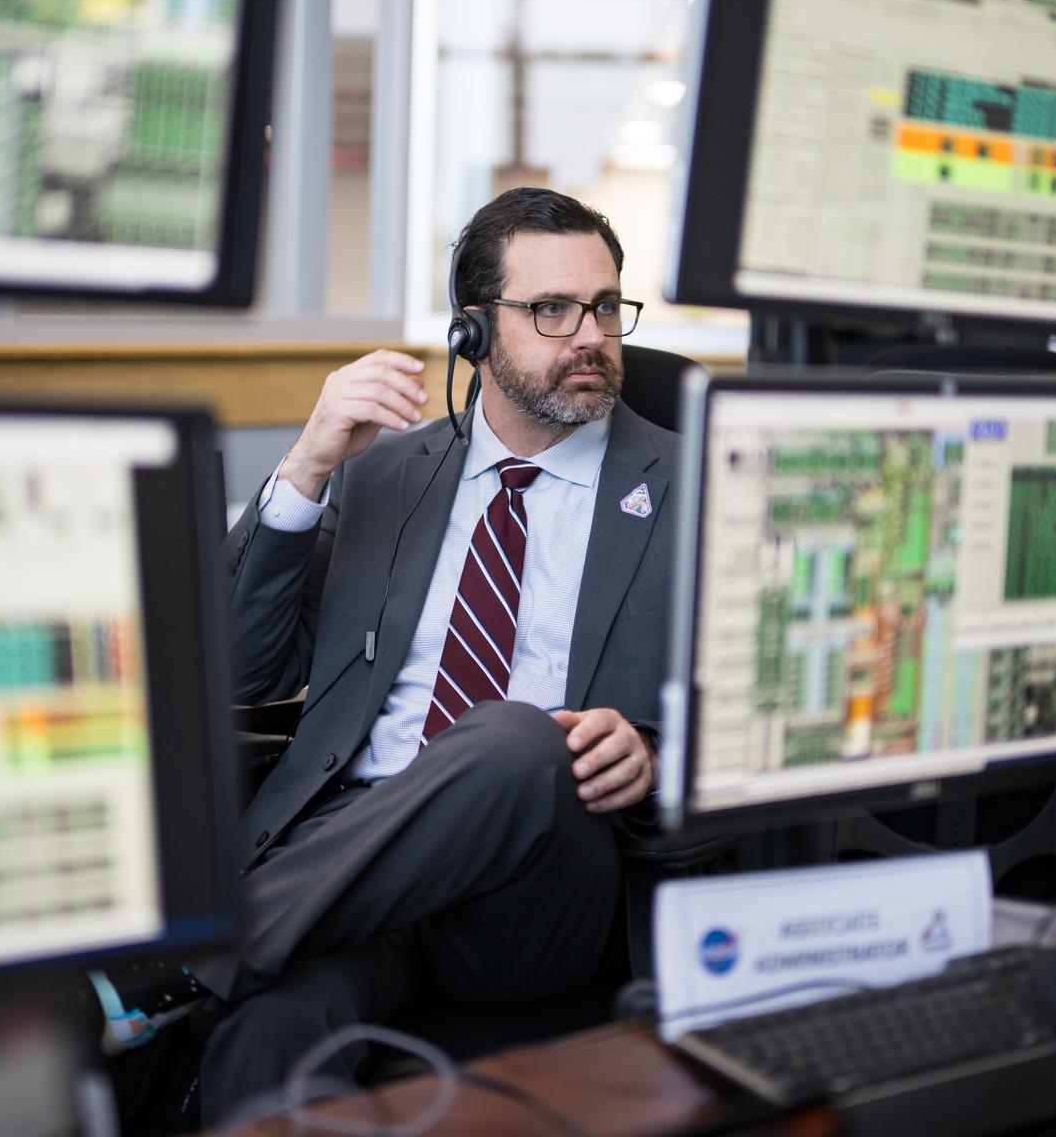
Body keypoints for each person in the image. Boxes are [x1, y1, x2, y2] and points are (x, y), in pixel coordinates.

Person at [134, 187, 680, 1128]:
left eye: (604, 305)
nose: (589, 333)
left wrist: (660, 759)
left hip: (538, 887)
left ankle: (188, 959)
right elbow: (245, 674)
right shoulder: (386, 472)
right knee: (268, 1036)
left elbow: (775, 730)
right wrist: (308, 465)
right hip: (362, 871)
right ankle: (227, 978)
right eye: (551, 310)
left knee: (515, 741)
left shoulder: (692, 484)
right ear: (473, 331)